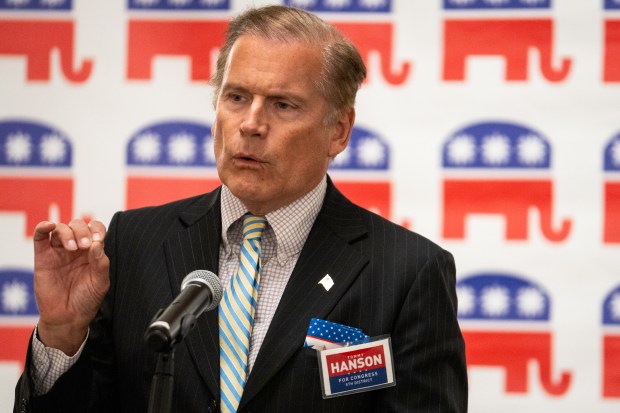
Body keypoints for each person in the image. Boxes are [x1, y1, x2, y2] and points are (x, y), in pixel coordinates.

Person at [14, 5, 467, 413]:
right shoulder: (134, 243)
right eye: (236, 98)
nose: (250, 124)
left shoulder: (406, 272)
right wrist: (62, 333)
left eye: (282, 104)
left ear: (339, 131)